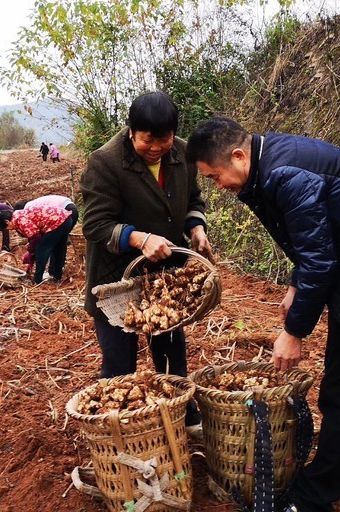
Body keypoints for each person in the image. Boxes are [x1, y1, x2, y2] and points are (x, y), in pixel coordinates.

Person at [185, 117, 340, 511]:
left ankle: (317, 495)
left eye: (216, 177)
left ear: (237, 155)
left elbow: (320, 261)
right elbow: (315, 235)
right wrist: (295, 286)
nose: (220, 187)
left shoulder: (285, 174)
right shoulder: (274, 158)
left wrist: (294, 331)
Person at [80, 91, 213, 434]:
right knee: (119, 364)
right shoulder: (105, 162)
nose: (156, 148)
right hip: (117, 283)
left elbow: (193, 200)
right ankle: (119, 430)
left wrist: (196, 228)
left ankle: (183, 416)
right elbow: (95, 225)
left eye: (164, 139)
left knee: (172, 354)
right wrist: (140, 239)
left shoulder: (182, 153)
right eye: (147, 140)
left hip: (166, 278)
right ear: (130, 131)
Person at [11, 203, 76, 283]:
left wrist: (30, 251)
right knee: (58, 248)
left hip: (57, 221)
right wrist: (31, 255)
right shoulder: (19, 214)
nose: (10, 230)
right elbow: (36, 233)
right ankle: (57, 277)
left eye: (7, 227)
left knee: (42, 249)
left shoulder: (18, 219)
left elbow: (36, 237)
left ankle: (37, 279)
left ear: (7, 221)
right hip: (66, 219)